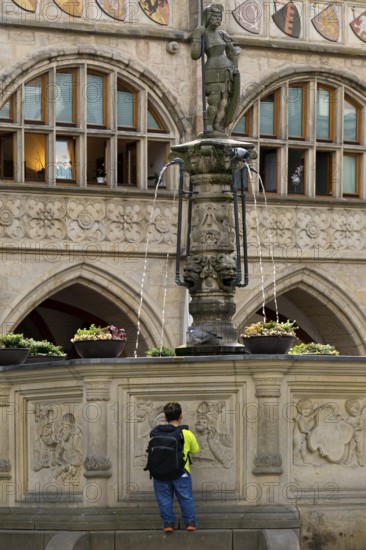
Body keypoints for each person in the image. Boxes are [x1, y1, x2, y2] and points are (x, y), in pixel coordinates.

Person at [191, 3, 241, 136]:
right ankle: (208, 126)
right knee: (214, 100)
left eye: (219, 16)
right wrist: (197, 36)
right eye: (214, 16)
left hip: (227, 70)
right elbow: (195, 55)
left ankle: (219, 125)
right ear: (207, 17)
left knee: (225, 101)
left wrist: (235, 67)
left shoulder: (222, 34)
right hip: (212, 70)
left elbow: (232, 51)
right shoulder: (202, 31)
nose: (218, 18)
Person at [151, 402, 200, 532]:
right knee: (185, 498)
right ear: (181, 417)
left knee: (164, 499)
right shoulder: (186, 433)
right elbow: (196, 450)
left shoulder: (156, 433)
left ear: (165, 418)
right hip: (181, 472)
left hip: (160, 472)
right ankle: (190, 523)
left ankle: (168, 524)